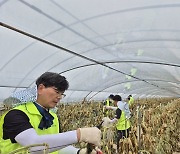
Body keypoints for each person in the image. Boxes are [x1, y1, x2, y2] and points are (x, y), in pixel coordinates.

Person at [0, 72, 101, 154]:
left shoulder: (52, 117)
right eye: (57, 92)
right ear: (41, 88)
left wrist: (79, 152)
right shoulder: (16, 115)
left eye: (62, 94)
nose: (59, 97)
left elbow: (56, 146)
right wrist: (79, 134)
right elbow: (33, 145)